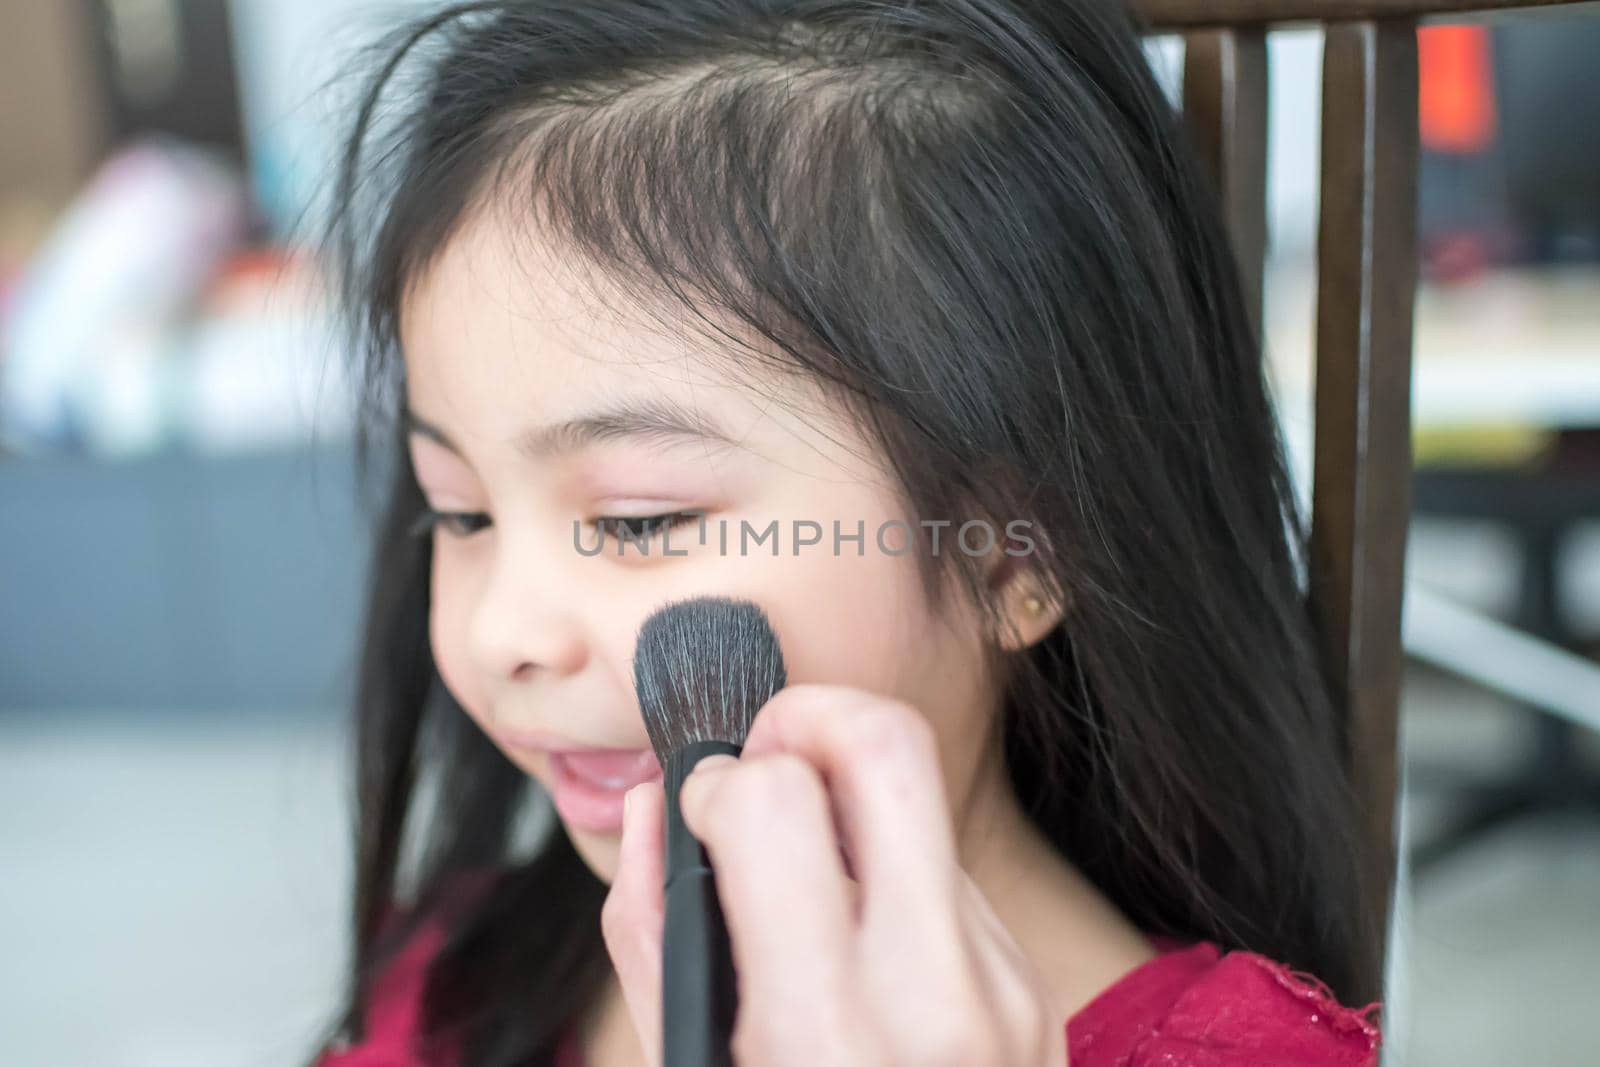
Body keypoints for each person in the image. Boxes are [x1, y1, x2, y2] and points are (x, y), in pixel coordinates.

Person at [311, 1, 1386, 1064]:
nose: (503, 630)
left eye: (640, 520)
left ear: (1013, 549)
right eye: (459, 507)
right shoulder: (459, 974)